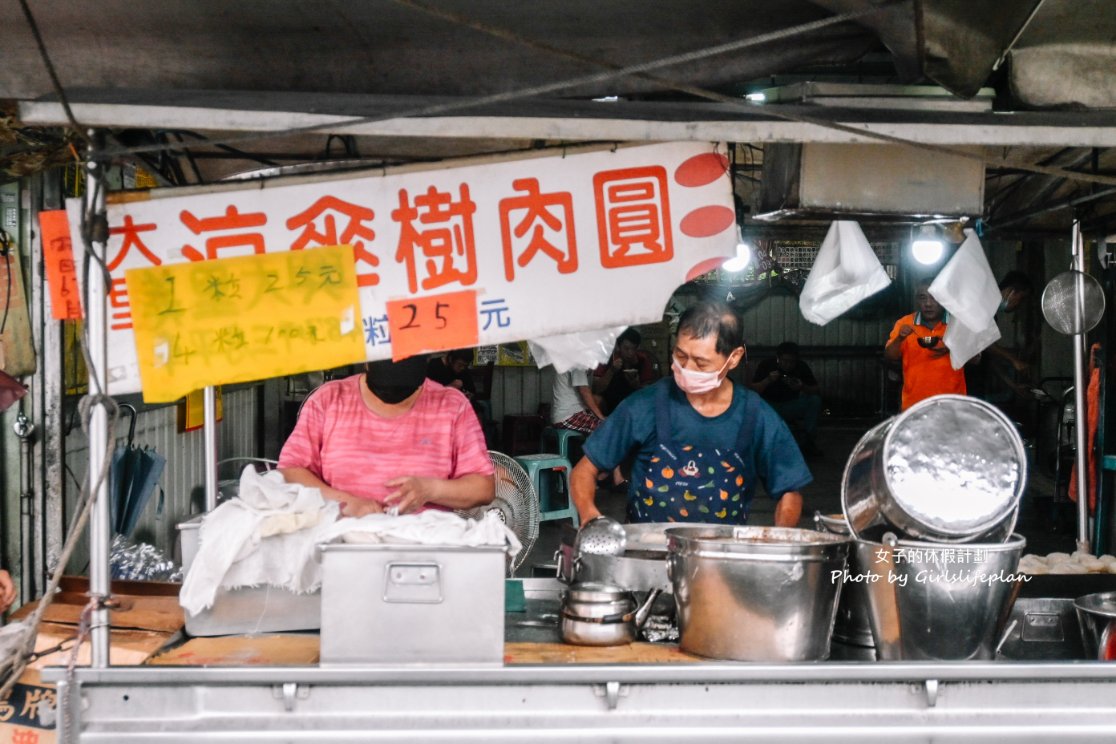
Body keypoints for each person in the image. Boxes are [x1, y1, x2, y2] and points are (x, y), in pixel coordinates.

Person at [571, 301, 810, 527]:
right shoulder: (645, 405)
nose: (687, 369)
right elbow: (585, 470)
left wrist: (780, 536)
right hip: (643, 555)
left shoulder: (756, 416)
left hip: (721, 560)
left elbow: (790, 491)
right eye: (681, 355)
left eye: (701, 362)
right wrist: (590, 515)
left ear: (734, 357)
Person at [278, 355, 495, 517]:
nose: (394, 399)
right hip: (341, 547)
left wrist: (430, 489)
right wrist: (345, 503)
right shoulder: (328, 399)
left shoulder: (452, 405)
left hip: (424, 552)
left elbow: (482, 488)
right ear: (367, 362)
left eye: (407, 392)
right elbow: (290, 470)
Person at [884, 279, 970, 411]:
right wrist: (900, 338)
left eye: (934, 298)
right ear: (916, 301)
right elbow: (890, 356)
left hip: (953, 406)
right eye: (922, 298)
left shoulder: (957, 323)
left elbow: (976, 358)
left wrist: (952, 347)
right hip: (914, 406)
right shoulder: (905, 322)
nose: (928, 304)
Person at [750, 342, 823, 456]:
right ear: (778, 358)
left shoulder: (801, 366)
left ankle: (808, 442)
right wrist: (768, 380)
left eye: (791, 362)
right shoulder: (766, 365)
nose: (788, 365)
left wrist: (802, 386)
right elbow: (753, 391)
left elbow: (816, 390)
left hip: (791, 406)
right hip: (770, 407)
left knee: (814, 401)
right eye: (784, 361)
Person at [592, 328, 657, 414]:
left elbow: (649, 391)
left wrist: (637, 386)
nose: (630, 353)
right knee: (595, 399)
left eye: (633, 349)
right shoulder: (608, 359)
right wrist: (611, 371)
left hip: (633, 402)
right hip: (609, 402)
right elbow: (597, 389)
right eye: (626, 349)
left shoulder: (642, 360)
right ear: (618, 347)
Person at [551, 367, 609, 434]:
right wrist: (601, 418)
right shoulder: (578, 362)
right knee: (606, 428)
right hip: (568, 416)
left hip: (571, 413)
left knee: (609, 424)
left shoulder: (582, 363)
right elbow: (584, 391)